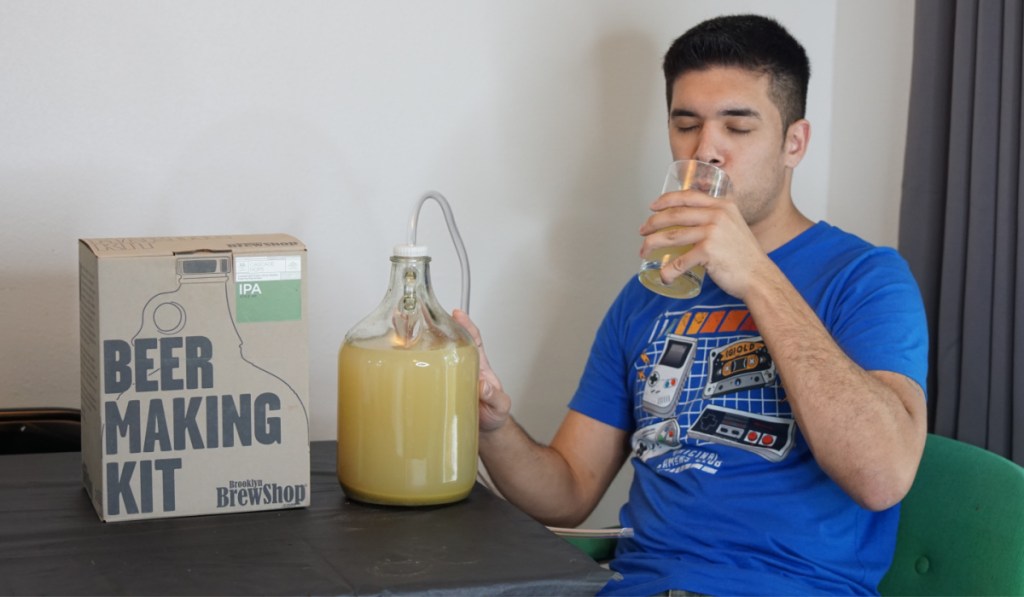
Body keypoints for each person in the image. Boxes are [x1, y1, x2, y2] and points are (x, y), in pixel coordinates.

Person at [454, 13, 928, 596]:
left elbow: (882, 476)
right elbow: (570, 490)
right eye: (687, 126)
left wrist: (754, 273)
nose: (707, 151)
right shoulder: (645, 296)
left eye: (738, 127)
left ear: (793, 143)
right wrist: (492, 425)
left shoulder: (865, 277)